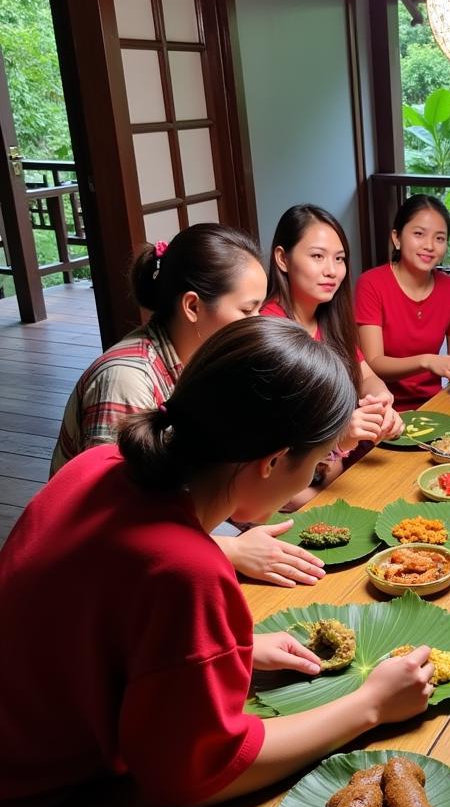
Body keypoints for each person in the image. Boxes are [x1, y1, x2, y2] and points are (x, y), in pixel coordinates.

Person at [0, 317, 436, 807]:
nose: (315, 472)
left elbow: (92, 632)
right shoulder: (186, 570)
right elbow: (195, 778)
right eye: (318, 459)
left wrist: (229, 651)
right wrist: (371, 703)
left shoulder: (97, 465)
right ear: (274, 461)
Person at [50, 223, 324, 588]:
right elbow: (112, 528)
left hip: (187, 525)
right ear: (193, 306)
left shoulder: (213, 358)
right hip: (101, 574)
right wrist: (230, 550)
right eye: (248, 310)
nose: (258, 322)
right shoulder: (126, 380)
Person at [262, 204, 404, 503]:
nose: (332, 270)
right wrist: (341, 434)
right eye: (317, 256)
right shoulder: (270, 331)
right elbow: (270, 451)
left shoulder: (328, 317)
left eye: (339, 259)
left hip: (343, 468)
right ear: (282, 259)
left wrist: (380, 403)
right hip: (293, 492)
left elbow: (367, 377)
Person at [355, 195, 450, 411]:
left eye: (439, 238)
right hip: (381, 409)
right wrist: (428, 361)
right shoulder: (371, 284)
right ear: (397, 238)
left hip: (434, 405)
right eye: (419, 234)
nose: (429, 246)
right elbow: (374, 363)